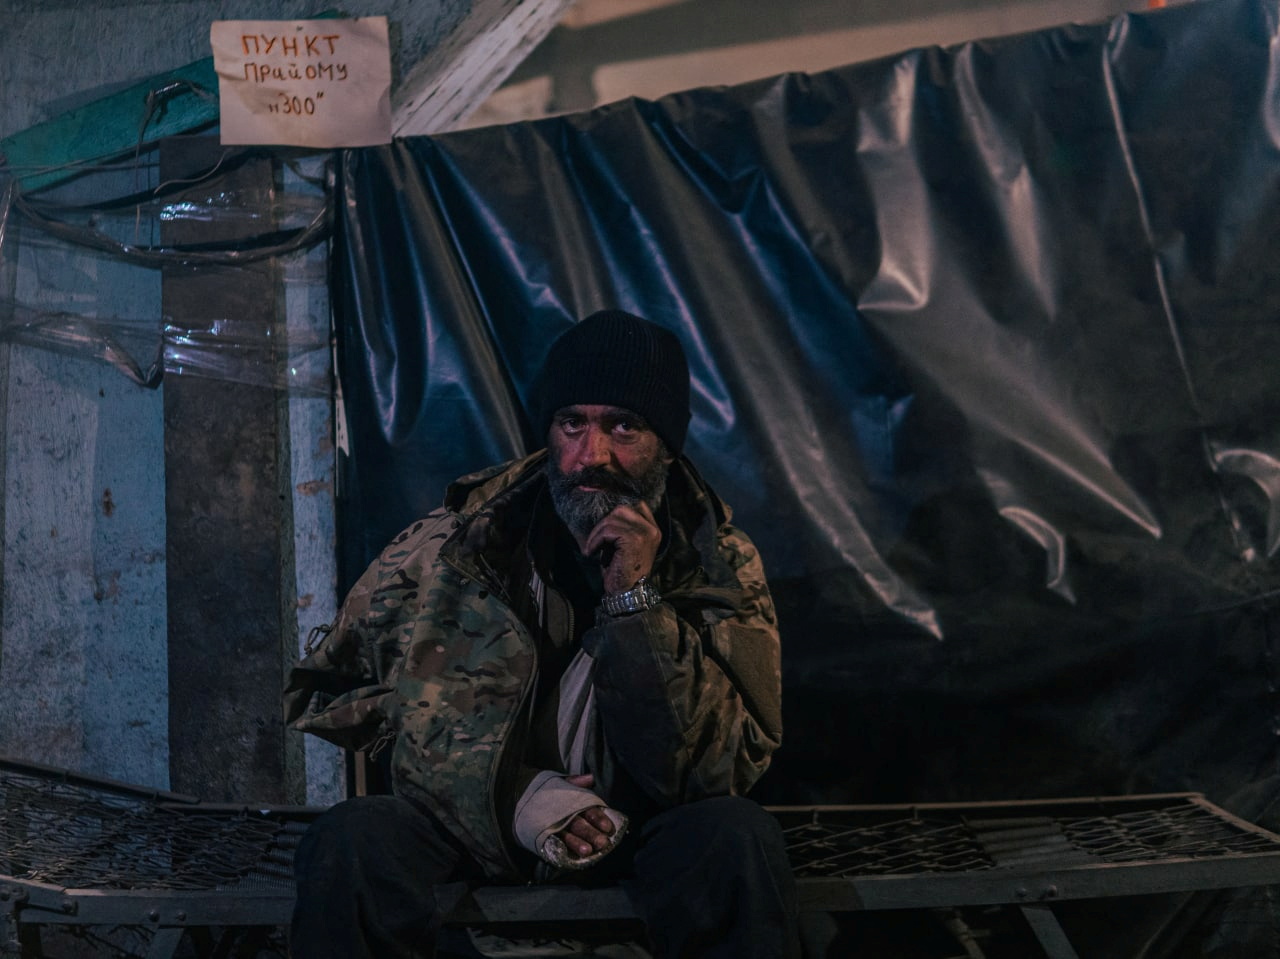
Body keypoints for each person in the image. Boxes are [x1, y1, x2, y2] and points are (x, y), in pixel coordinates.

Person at [284, 309, 798, 958]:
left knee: (738, 840)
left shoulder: (717, 562)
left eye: (624, 426)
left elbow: (725, 765)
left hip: (640, 827)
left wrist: (634, 603)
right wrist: (506, 792)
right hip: (474, 827)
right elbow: (330, 696)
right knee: (350, 844)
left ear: (666, 443)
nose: (593, 456)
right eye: (572, 423)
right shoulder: (454, 547)